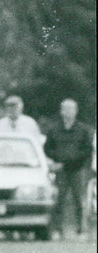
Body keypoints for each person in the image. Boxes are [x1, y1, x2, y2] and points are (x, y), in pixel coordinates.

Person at [43, 99, 93, 240]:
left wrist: (70, 160)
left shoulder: (84, 130)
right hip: (60, 171)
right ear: (61, 111)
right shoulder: (54, 130)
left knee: (80, 201)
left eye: (71, 109)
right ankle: (57, 231)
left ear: (76, 111)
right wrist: (58, 158)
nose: (68, 112)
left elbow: (87, 150)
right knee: (59, 200)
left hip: (78, 170)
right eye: (65, 109)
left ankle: (81, 231)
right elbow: (47, 148)